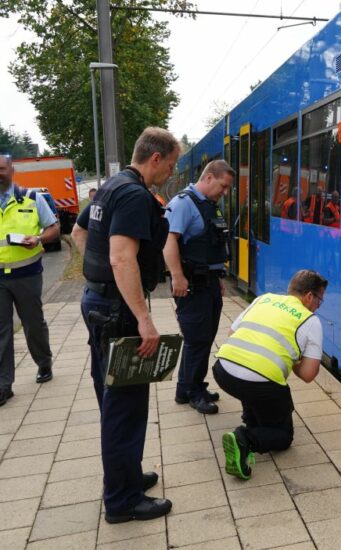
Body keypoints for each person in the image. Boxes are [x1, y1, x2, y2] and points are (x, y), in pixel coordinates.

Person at [71, 127, 179, 523]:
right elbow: (121, 259)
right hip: (118, 313)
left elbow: (80, 231)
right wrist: (144, 319)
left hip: (97, 302)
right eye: (171, 163)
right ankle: (122, 501)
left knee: (111, 398)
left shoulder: (111, 187)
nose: (171, 170)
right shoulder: (134, 195)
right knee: (125, 407)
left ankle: (126, 477)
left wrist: (96, 274)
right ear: (155, 158)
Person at [212, 269, 327, 479]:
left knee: (253, 383)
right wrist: (290, 357)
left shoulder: (264, 299)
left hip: (223, 371)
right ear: (309, 296)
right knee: (284, 436)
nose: (319, 305)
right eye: (320, 300)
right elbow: (309, 374)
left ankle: (251, 421)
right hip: (258, 384)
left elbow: (231, 333)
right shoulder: (310, 321)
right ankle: (244, 439)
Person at [163, 159, 234, 415]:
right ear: (209, 178)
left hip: (209, 284)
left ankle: (188, 388)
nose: (224, 192)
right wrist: (177, 276)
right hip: (191, 286)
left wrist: (218, 279)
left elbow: (210, 246)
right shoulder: (184, 204)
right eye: (223, 186)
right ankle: (193, 392)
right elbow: (169, 241)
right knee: (197, 340)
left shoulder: (208, 206)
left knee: (204, 339)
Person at [0, 155, 59, 406]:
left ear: (11, 170)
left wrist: (37, 239)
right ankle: (4, 385)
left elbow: (54, 229)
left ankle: (43, 363)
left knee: (32, 324)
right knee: (1, 331)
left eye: (1, 169)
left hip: (27, 273)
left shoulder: (32, 199)